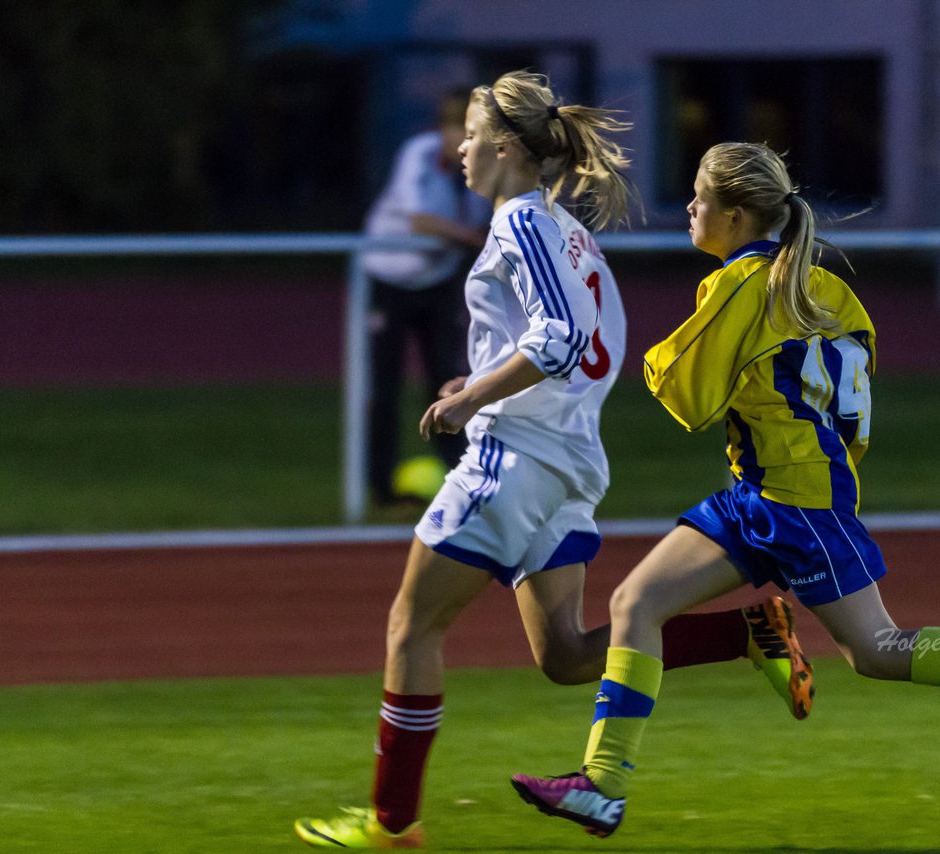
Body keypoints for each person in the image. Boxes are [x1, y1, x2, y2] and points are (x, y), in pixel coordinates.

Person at [511, 142, 940, 838]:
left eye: (701, 199)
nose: (690, 208)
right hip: (770, 493)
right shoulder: (828, 289)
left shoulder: (740, 283)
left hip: (792, 502)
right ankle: (602, 786)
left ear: (736, 216)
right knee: (635, 602)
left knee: (876, 650)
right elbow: (851, 409)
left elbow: (684, 390)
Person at [295, 80, 814, 850]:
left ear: (506, 149)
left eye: (471, 137)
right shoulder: (568, 235)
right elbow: (590, 350)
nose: (461, 151)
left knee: (412, 626)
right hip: (568, 465)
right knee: (566, 656)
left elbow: (562, 338)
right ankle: (750, 633)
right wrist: (481, 383)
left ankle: (391, 824)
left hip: (514, 462)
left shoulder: (519, 225)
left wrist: (478, 405)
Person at [362, 88, 493, 505]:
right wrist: (473, 239)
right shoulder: (419, 153)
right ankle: (379, 488)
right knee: (384, 387)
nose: (467, 143)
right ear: (444, 128)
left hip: (438, 283)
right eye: (463, 131)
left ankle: (460, 481)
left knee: (447, 382)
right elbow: (421, 221)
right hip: (388, 280)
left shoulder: (479, 171)